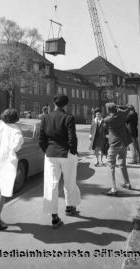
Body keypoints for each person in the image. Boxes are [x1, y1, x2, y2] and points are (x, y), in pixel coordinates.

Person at [39, 94, 81, 229]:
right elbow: (72, 137)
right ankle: (69, 207)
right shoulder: (69, 118)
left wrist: (47, 150)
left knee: (51, 184)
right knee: (70, 181)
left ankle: (54, 217)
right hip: (66, 153)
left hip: (51, 153)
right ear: (66, 105)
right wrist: (73, 152)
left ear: (54, 103)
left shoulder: (45, 117)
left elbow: (41, 138)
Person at [103, 103, 132, 196]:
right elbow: (129, 108)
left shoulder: (108, 119)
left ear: (108, 110)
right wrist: (121, 108)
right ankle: (127, 183)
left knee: (110, 164)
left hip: (114, 143)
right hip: (123, 143)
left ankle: (113, 188)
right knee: (122, 163)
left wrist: (117, 109)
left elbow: (103, 124)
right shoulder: (122, 115)